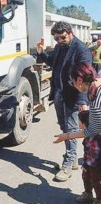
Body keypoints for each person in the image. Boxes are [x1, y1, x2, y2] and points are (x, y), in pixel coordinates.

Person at [37, 21, 92, 182]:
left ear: (70, 32)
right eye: (56, 39)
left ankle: (68, 165)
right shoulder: (60, 47)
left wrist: (82, 101)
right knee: (64, 127)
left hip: (74, 96)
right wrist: (41, 53)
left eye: (62, 37)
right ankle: (73, 159)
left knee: (71, 129)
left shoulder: (82, 49)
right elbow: (51, 62)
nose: (59, 41)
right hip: (59, 94)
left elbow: (86, 77)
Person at [54, 62, 101, 204]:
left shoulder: (96, 98)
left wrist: (67, 136)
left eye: (72, 81)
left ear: (79, 80)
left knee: (97, 175)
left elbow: (93, 130)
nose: (72, 84)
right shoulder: (95, 88)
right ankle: (89, 194)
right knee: (88, 170)